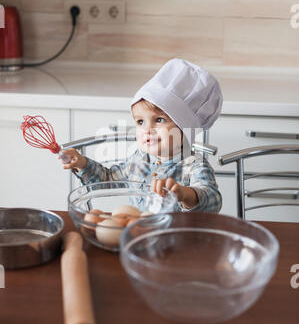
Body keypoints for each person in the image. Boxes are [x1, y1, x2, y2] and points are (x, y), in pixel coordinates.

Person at [61, 59, 223, 212]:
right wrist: (83, 163)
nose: (147, 129)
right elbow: (109, 178)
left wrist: (185, 194)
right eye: (140, 122)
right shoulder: (140, 158)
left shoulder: (194, 165)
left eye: (159, 120)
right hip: (139, 233)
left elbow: (213, 200)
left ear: (185, 128)